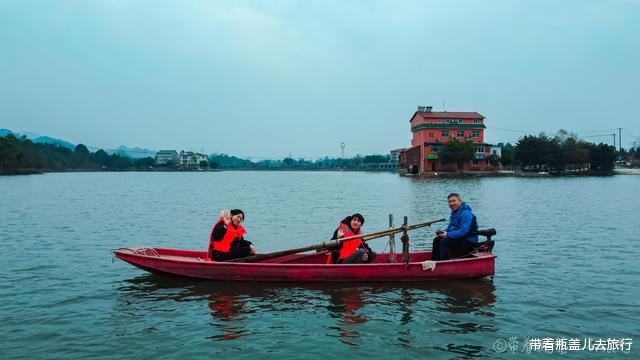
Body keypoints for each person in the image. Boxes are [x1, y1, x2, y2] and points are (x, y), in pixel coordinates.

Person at [431, 193, 479, 261]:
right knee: (437, 239)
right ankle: (434, 262)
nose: (452, 203)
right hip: (459, 240)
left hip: (468, 243)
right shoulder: (454, 213)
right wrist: (443, 232)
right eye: (450, 202)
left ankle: (443, 264)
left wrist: (447, 235)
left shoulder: (466, 214)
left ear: (460, 201)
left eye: (454, 201)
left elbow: (464, 231)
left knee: (444, 242)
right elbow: (450, 227)